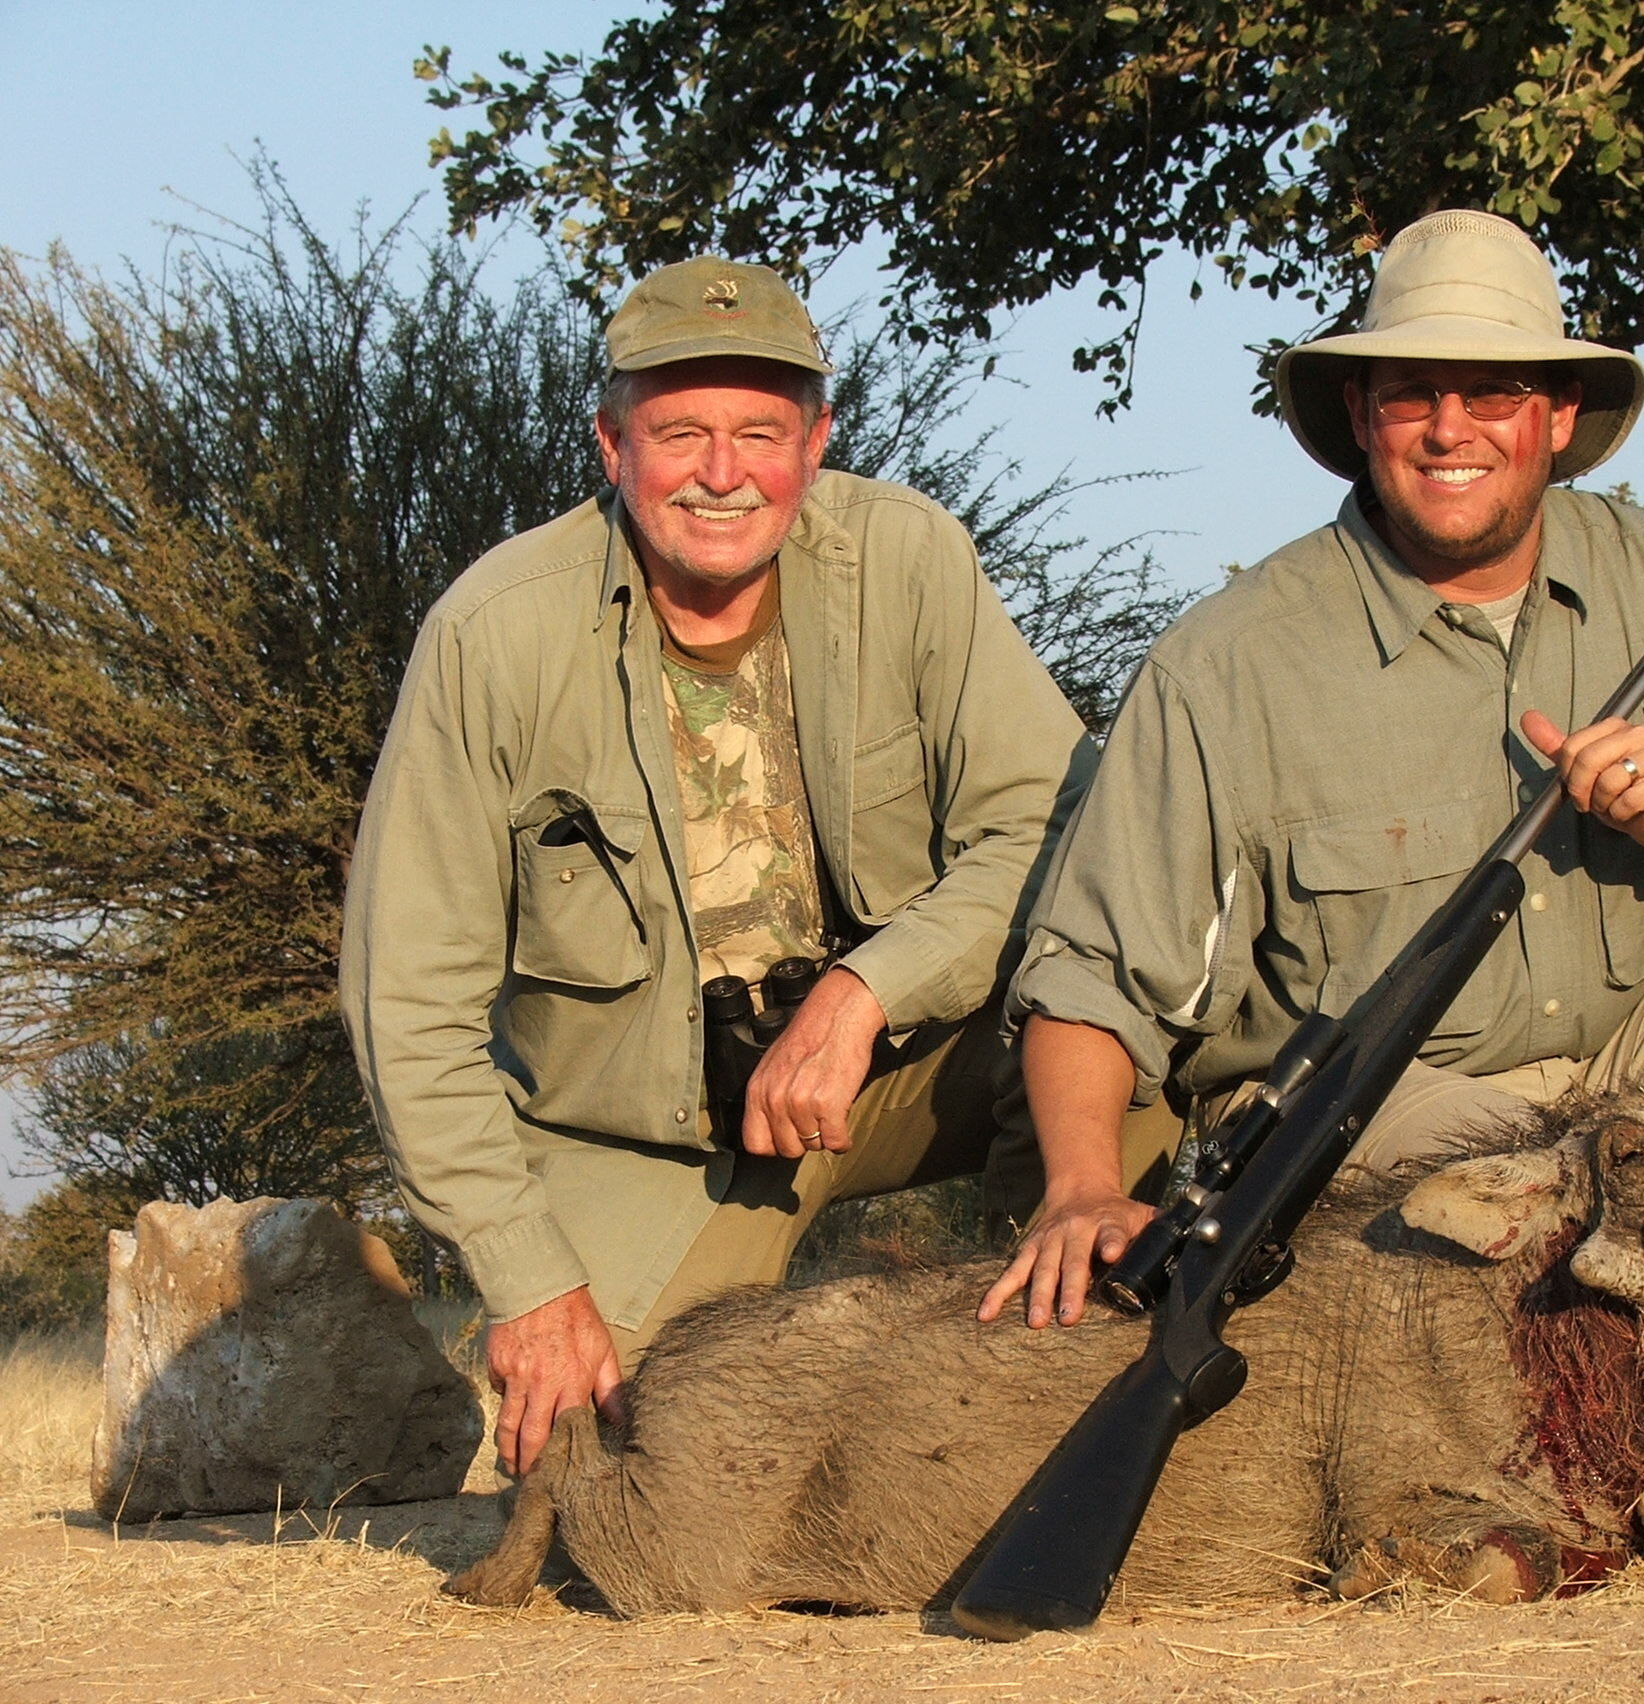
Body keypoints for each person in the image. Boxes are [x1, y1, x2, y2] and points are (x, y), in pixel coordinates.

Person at [981, 209, 1644, 1330]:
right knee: (1508, 1182)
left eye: (1491, 390)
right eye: (1411, 393)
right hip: (1396, 1109)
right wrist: (1081, 1190)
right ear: (1360, 414)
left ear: (1555, 416)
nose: (1451, 430)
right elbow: (1097, 971)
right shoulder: (1227, 659)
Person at [341, 258, 1176, 1472]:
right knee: (616, 1488)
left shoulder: (910, 559)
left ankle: (1036, 1379)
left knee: (1124, 1030)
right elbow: (405, 1001)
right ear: (611, 442)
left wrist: (866, 991)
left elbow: (1057, 832)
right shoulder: (492, 631)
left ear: (817, 439)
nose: (722, 474)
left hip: (890, 1065)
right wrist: (527, 1282)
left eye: (759, 433)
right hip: (651, 1139)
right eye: (680, 432)